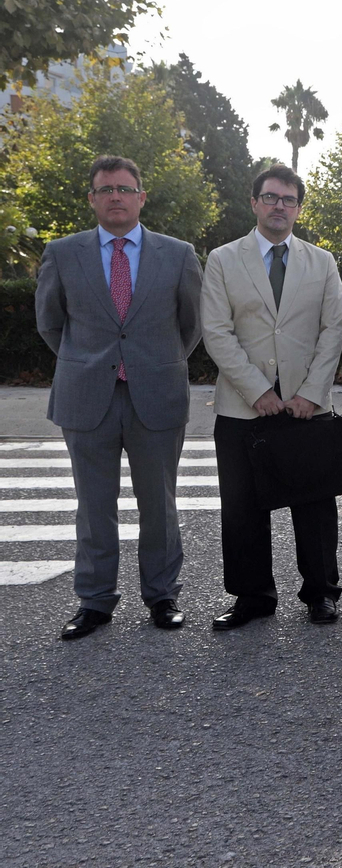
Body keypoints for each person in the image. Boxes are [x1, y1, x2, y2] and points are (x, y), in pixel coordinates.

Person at [35, 155, 203, 639]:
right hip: (87, 397)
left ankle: (162, 595)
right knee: (93, 506)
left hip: (156, 394)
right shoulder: (63, 254)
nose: (115, 197)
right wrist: (90, 361)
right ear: (92, 199)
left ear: (141, 197)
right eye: (105, 189)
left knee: (160, 503)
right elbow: (51, 324)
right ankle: (94, 600)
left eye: (125, 189)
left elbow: (189, 326)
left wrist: (154, 361)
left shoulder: (178, 254)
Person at [201, 164, 342, 629]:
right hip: (244, 404)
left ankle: (321, 593)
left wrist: (311, 392)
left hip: (306, 405)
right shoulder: (223, 259)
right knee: (241, 506)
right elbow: (217, 332)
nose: (279, 206)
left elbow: (333, 330)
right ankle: (252, 597)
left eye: (288, 199)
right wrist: (257, 389)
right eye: (270, 197)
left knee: (315, 505)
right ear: (255, 203)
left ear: (299, 207)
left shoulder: (321, 262)